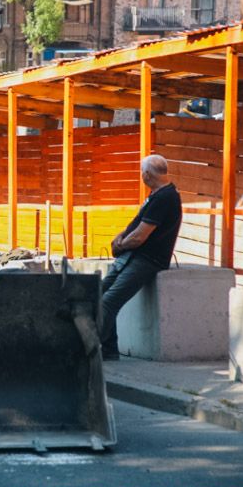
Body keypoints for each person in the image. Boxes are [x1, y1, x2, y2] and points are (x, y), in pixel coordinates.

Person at [99, 154, 183, 361]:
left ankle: (88, 351)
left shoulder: (165, 197)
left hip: (147, 260)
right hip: (133, 257)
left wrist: (120, 245)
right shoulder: (156, 195)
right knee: (97, 293)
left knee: (108, 302)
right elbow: (136, 224)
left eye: (140, 172)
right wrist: (120, 237)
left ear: (146, 174)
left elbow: (139, 236)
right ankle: (108, 350)